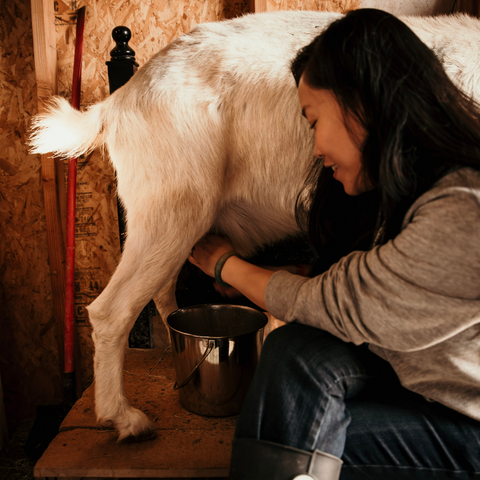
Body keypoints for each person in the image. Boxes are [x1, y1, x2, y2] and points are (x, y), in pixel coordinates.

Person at [188, 8, 480, 480]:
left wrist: (224, 264)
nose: (316, 147)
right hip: (439, 388)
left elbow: (332, 300)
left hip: (470, 428)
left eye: (312, 120)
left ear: (362, 105)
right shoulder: (423, 187)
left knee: (287, 439)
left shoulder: (463, 209)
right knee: (295, 350)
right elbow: (370, 289)